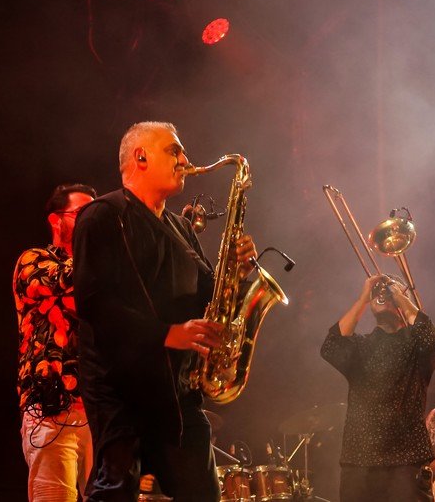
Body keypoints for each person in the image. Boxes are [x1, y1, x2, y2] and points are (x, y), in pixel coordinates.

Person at [73, 121, 258, 500]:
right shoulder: (101, 216)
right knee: (116, 493)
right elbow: (96, 304)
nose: (185, 159)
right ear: (140, 156)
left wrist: (237, 276)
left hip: (179, 393)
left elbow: (209, 294)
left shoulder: (181, 228)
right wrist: (167, 334)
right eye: (174, 150)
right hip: (121, 396)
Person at [320, 274, 435, 502]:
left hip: (407, 460)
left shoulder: (416, 344)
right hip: (359, 460)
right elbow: (331, 346)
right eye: (379, 292)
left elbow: (432, 340)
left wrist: (400, 297)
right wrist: (363, 299)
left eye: (390, 290)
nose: (383, 292)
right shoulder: (362, 345)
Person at [14, 183, 96, 501]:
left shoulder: (102, 268)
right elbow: (64, 278)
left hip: (98, 412)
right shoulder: (33, 260)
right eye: (82, 214)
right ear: (56, 220)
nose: (91, 222)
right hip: (52, 409)